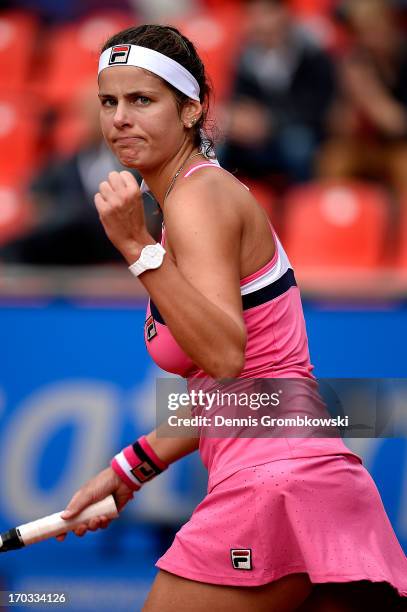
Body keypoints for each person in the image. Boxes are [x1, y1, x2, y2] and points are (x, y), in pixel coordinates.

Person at [56, 24, 407, 611]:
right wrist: (129, 468)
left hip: (270, 488)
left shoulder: (198, 199)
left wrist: (137, 249)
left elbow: (224, 357)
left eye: (142, 100)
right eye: (108, 102)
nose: (119, 118)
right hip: (319, 480)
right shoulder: (200, 199)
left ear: (191, 110)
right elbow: (255, 394)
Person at [219, 0, 336, 185]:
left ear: (283, 15)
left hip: (297, 132)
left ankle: (302, 205)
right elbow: (238, 99)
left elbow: (318, 106)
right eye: (253, 16)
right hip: (256, 138)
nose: (259, 22)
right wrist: (237, 118)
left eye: (265, 14)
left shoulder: (311, 53)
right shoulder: (245, 58)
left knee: (298, 144)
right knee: (217, 146)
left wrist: (270, 121)